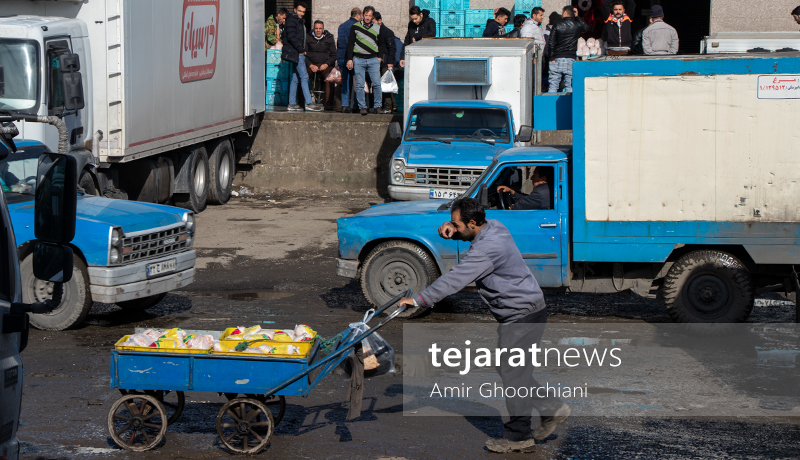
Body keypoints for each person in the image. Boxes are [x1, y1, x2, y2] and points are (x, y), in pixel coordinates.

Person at [397, 198, 570, 454]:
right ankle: (551, 407)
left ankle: (518, 436)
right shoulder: (494, 226)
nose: (452, 227)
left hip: (521, 316)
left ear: (473, 223)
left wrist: (419, 299)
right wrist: (452, 227)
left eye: (457, 224)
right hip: (525, 311)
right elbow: (469, 234)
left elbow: (454, 280)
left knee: (513, 375)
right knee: (512, 370)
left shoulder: (487, 249)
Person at [346, 6, 389, 116]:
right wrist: (350, 59)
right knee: (360, 84)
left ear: (372, 16)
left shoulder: (377, 28)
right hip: (359, 59)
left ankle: (377, 106)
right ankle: (362, 107)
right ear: (362, 15)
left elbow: (382, 44)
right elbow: (350, 44)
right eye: (366, 15)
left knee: (376, 84)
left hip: (373, 59)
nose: (368, 18)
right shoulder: (355, 27)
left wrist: (379, 57)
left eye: (370, 16)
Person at [282, 2, 323, 112]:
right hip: (297, 53)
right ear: (295, 9)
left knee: (295, 78)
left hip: (297, 53)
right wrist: (301, 50)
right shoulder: (292, 20)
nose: (302, 13)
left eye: (303, 12)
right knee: (304, 77)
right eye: (300, 11)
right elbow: (291, 37)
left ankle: (291, 103)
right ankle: (309, 103)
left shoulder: (298, 20)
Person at [547, 6, 590, 93]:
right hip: (571, 58)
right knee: (570, 86)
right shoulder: (577, 25)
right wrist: (577, 16)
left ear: (565, 13)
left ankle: (550, 105)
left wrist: (551, 57)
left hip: (557, 58)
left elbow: (551, 42)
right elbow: (586, 28)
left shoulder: (557, 24)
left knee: (553, 85)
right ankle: (569, 105)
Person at [306, 20, 337, 111]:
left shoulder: (329, 38)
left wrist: (327, 64)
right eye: (316, 28)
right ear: (313, 29)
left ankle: (328, 103)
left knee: (329, 76)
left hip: (325, 65)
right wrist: (310, 65)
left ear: (323, 29)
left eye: (320, 28)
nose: (318, 30)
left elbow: (334, 54)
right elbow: (304, 54)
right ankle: (302, 101)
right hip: (312, 65)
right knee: (303, 76)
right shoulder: (308, 37)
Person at [338, 8, 362, 113]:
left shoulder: (341, 26)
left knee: (345, 82)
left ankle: (345, 105)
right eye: (361, 16)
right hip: (351, 58)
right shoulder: (356, 26)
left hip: (341, 57)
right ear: (357, 16)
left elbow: (339, 43)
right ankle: (356, 104)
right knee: (356, 81)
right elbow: (352, 43)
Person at [375, 12, 398, 113]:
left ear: (380, 21)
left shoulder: (386, 32)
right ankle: (393, 106)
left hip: (385, 62)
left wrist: (390, 62)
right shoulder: (376, 31)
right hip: (379, 61)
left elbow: (392, 48)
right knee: (385, 84)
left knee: (386, 85)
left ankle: (388, 107)